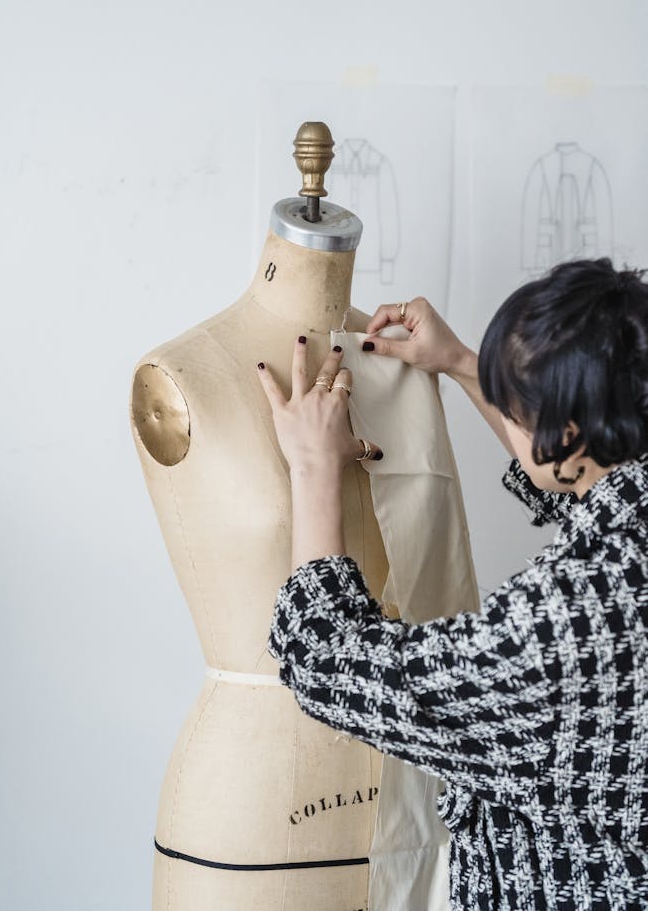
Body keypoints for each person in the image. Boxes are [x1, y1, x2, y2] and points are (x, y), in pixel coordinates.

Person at [255, 256, 648, 910]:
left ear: (565, 434)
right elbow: (580, 491)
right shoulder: (621, 533)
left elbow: (328, 662)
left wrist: (312, 465)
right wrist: (466, 364)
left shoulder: (555, 630)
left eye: (514, 409)